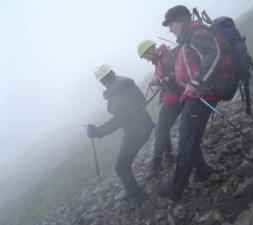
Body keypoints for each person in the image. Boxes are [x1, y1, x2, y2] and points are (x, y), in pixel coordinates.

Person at [152, 5, 236, 201]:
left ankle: (176, 187)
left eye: (171, 25)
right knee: (189, 135)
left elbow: (212, 55)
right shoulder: (188, 39)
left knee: (186, 139)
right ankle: (202, 171)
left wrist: (196, 81)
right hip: (195, 95)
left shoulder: (197, 35)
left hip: (202, 95)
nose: (170, 29)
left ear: (181, 21)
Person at [86, 64, 156, 202]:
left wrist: (98, 131)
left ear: (102, 81)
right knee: (122, 160)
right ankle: (131, 189)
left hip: (137, 130)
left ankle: (138, 195)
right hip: (142, 125)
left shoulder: (117, 91)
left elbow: (119, 119)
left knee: (121, 166)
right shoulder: (123, 83)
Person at [137, 40, 182, 179]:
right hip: (173, 97)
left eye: (145, 55)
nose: (146, 59)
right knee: (163, 129)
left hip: (175, 98)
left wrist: (159, 80)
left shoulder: (165, 56)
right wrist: (158, 79)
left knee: (161, 131)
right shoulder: (160, 59)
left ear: (151, 49)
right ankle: (169, 156)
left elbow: (176, 74)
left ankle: (156, 164)